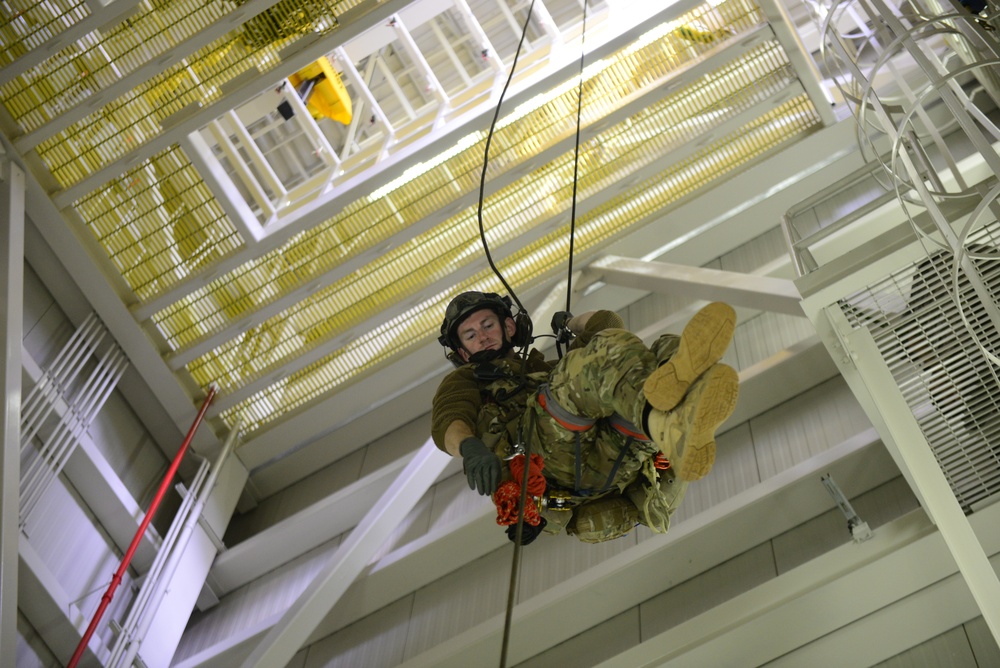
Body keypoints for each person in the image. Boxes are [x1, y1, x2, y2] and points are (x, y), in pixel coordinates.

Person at [431, 291, 740, 543]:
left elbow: (608, 324)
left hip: (616, 461)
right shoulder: (467, 381)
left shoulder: (547, 370)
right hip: (546, 468)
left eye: (487, 325)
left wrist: (572, 322)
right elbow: (449, 418)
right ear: (462, 351)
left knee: (662, 354)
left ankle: (673, 416)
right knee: (598, 358)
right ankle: (667, 417)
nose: (482, 338)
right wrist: (468, 447)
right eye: (470, 335)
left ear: (508, 327)